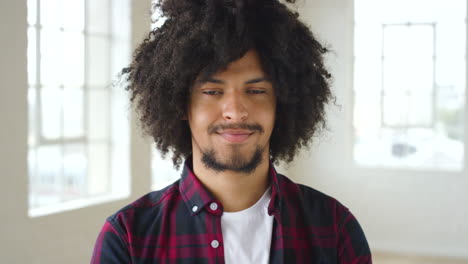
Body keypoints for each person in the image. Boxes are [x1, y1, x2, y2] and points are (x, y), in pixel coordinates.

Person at [91, 0, 372, 263]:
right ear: (180, 104)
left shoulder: (334, 228)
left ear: (282, 102)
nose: (235, 112)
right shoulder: (128, 238)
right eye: (212, 91)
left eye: (256, 91)